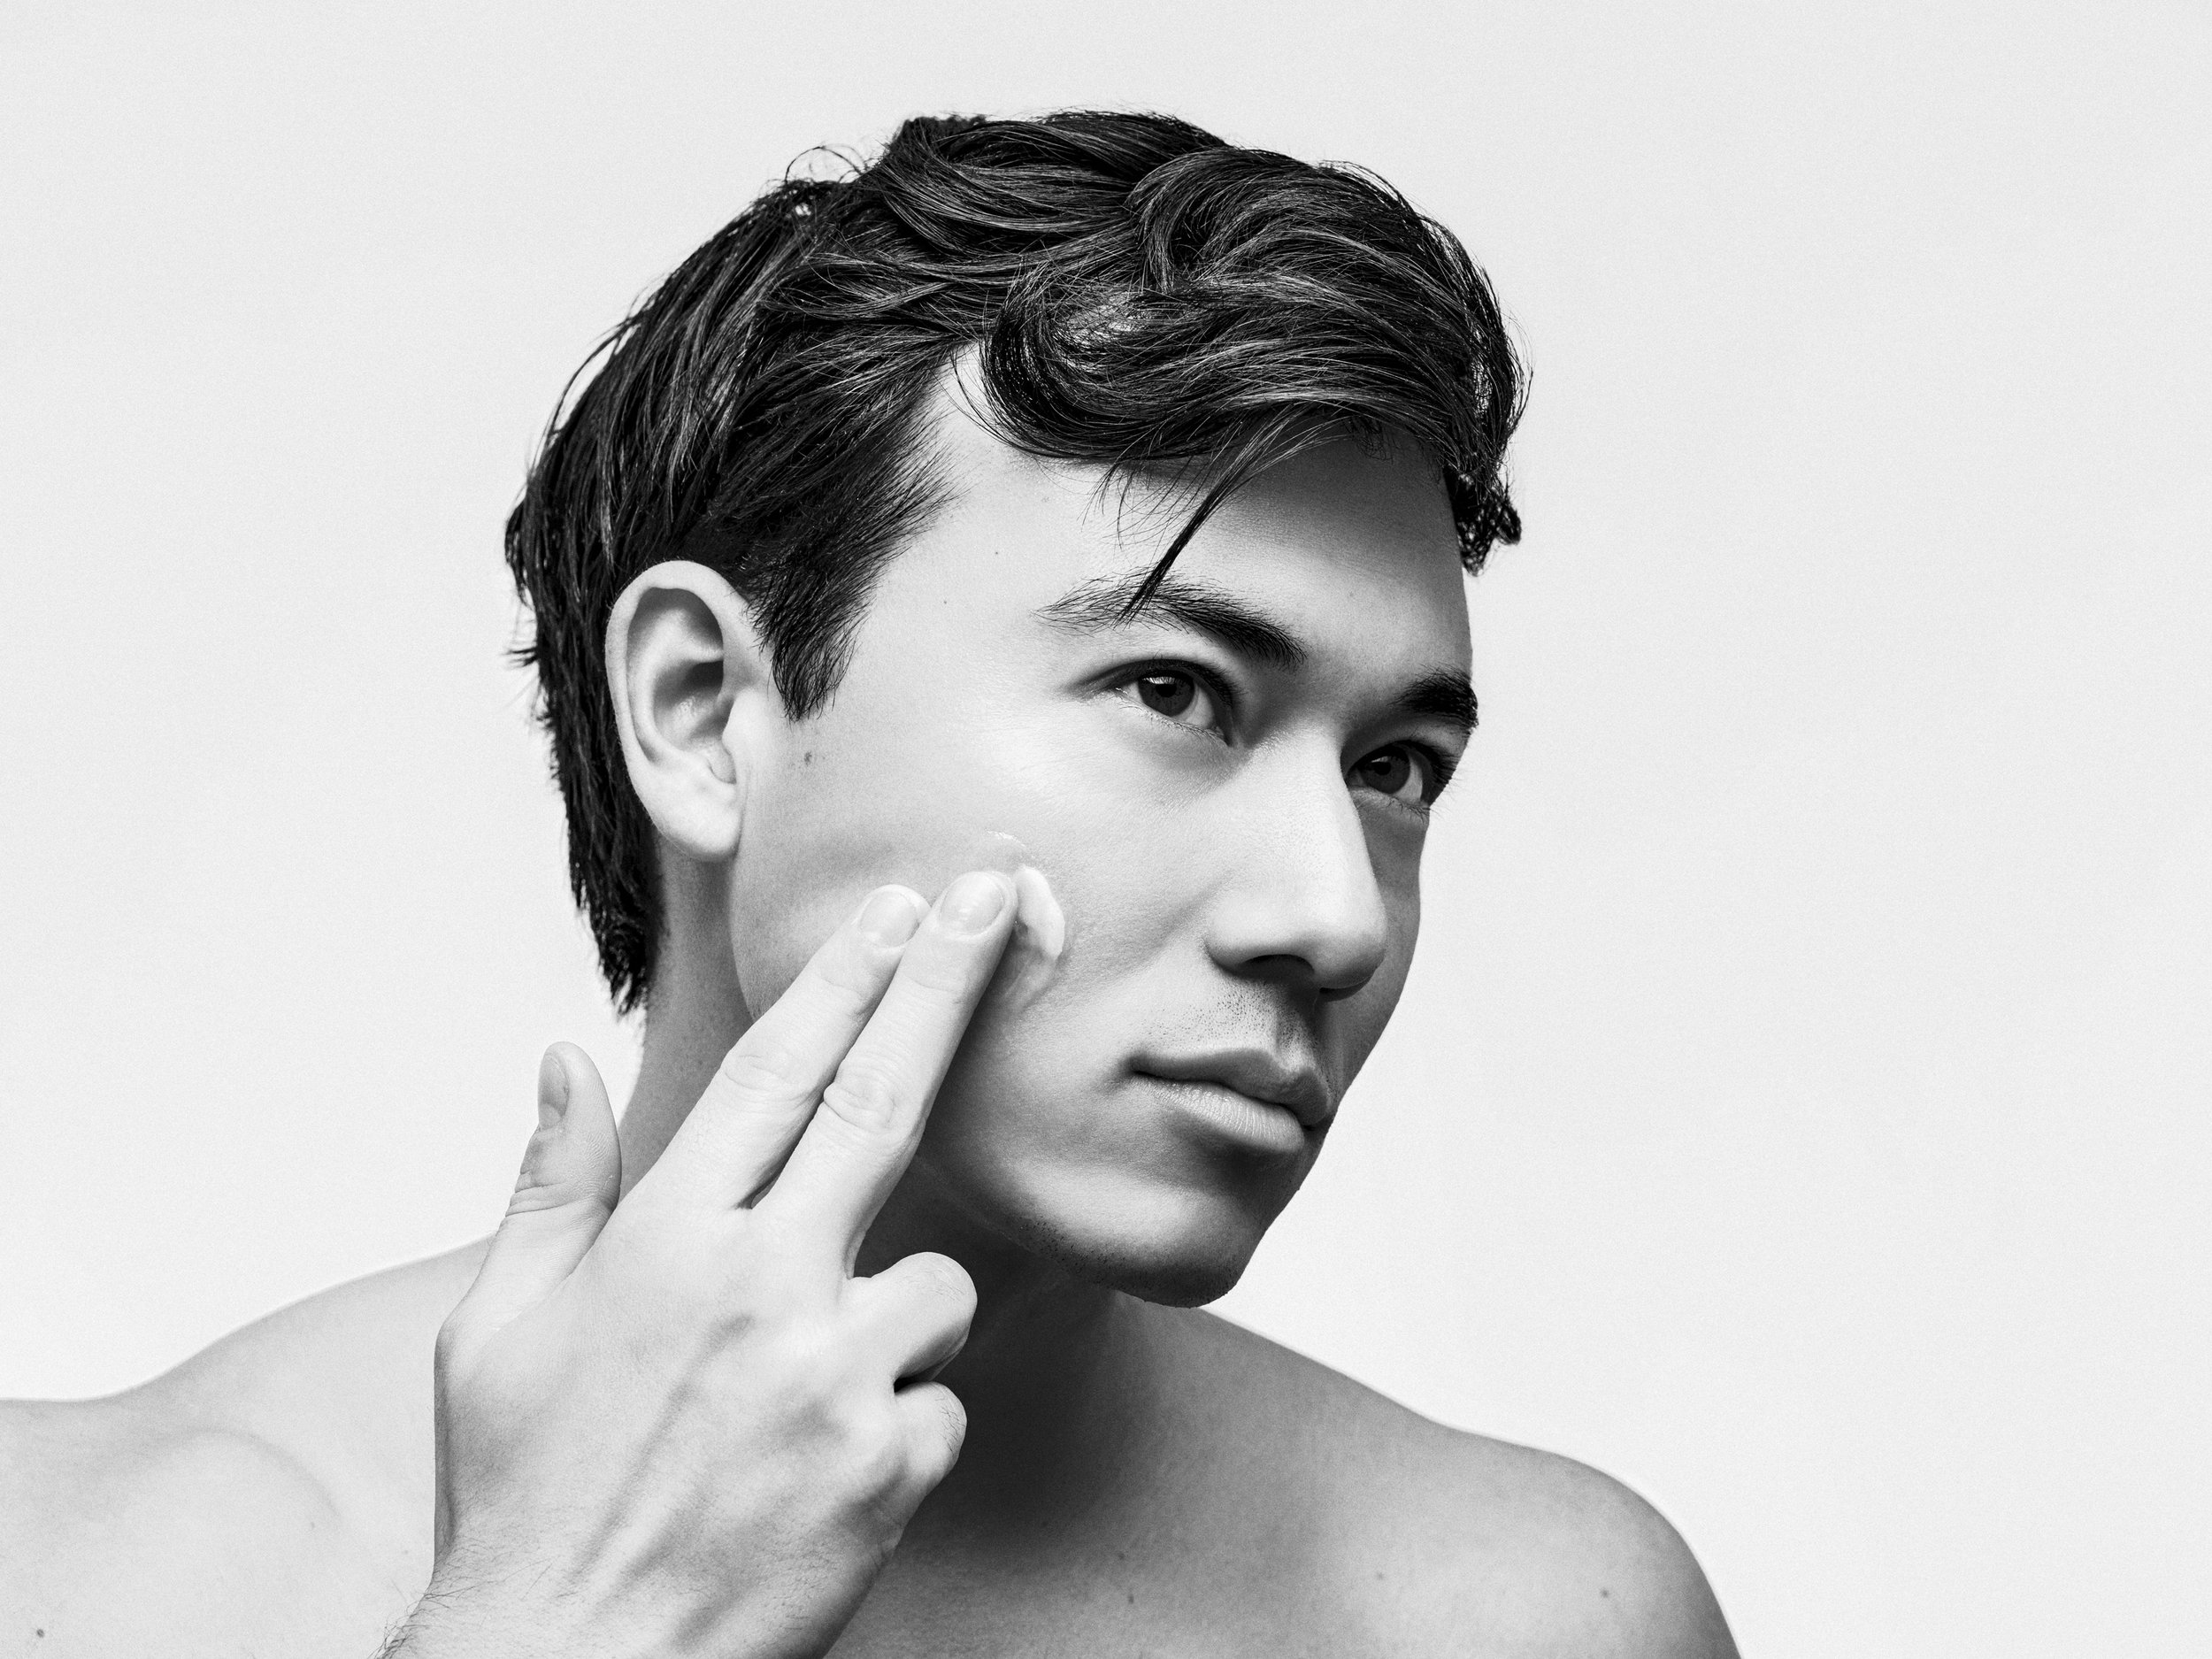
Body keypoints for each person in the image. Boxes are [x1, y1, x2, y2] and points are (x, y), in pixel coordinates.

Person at [0, 111, 1737, 1655]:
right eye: (1173, 692)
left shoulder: (1521, 1613)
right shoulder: (87, 1568)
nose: (1335, 913)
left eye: (1392, 768)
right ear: (699, 710)